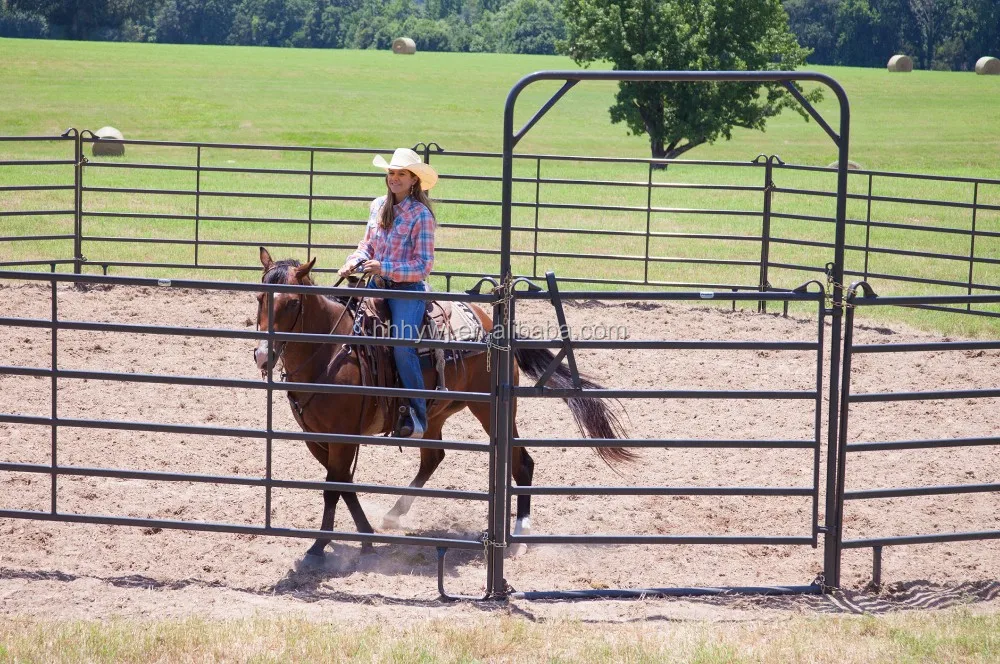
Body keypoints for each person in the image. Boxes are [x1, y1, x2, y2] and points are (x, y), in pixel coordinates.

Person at [339, 148, 438, 439]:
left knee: (401, 345)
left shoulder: (421, 215)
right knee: (344, 327)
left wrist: (385, 267)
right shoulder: (378, 205)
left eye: (401, 174)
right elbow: (367, 245)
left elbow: (423, 265)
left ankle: (417, 416)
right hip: (376, 284)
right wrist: (353, 261)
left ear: (413, 180)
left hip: (407, 290)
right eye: (391, 173)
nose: (394, 178)